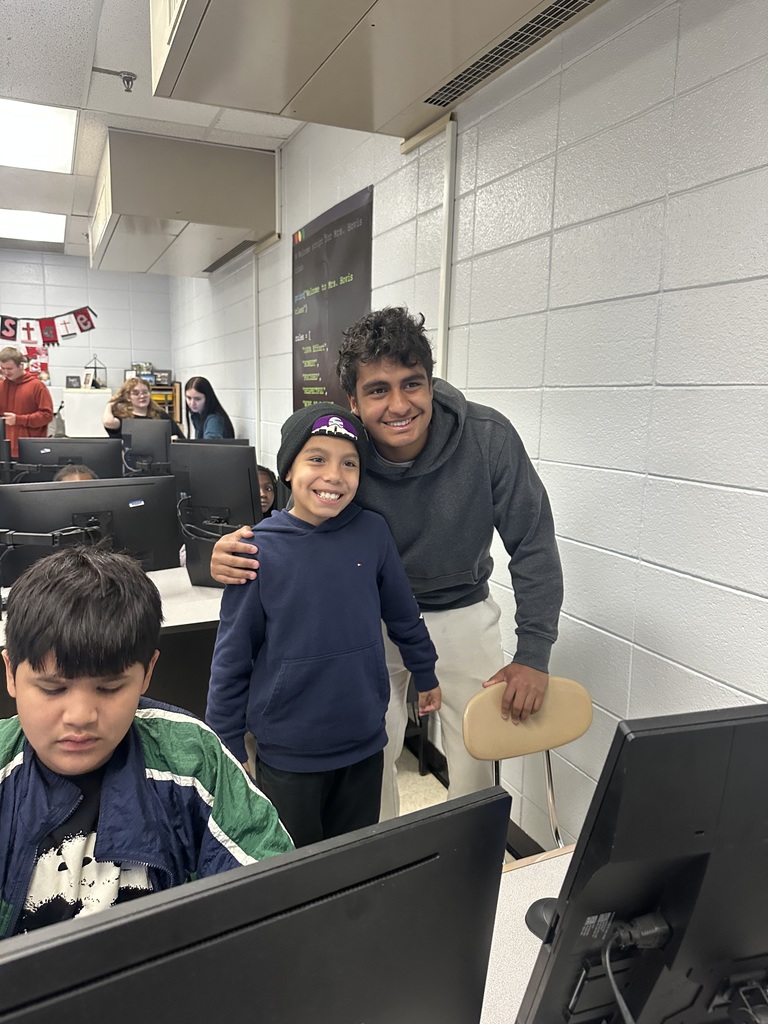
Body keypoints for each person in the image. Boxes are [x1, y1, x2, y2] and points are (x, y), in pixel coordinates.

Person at [210, 308, 563, 819]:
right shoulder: (343, 450)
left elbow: (533, 543)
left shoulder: (488, 438)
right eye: (378, 390)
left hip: (462, 610)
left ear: (430, 381)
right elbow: (299, 515)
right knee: (373, 762)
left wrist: (534, 652)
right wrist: (230, 549)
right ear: (352, 401)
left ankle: (469, 866)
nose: (398, 405)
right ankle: (384, 865)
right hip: (365, 618)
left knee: (479, 763)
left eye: (411, 384)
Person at [0, 546, 292, 938]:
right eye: (53, 689)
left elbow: (273, 893)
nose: (81, 716)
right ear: (11, 675)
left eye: (109, 688)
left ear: (147, 672)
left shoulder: (193, 762)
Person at [206, 403, 441, 847]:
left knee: (352, 863)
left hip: (364, 742)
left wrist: (425, 670)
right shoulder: (256, 551)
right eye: (317, 459)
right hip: (289, 754)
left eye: (349, 463)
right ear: (288, 471)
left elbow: (402, 613)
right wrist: (227, 746)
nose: (334, 475)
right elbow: (231, 659)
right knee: (293, 870)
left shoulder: (372, 533)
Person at [0, 347, 54, 458]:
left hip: (29, 450)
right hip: (3, 450)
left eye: (9, 369)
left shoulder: (37, 386)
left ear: (21, 365)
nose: (6, 372)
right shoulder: (1, 386)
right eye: (2, 368)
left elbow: (47, 416)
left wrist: (19, 420)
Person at [102, 377, 184, 439]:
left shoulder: (160, 415)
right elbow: (108, 422)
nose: (142, 396)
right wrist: (110, 404)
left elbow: (180, 438)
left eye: (145, 392)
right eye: (136, 393)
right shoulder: (124, 418)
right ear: (128, 397)